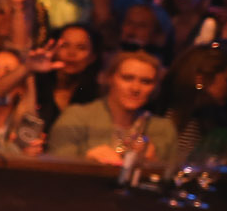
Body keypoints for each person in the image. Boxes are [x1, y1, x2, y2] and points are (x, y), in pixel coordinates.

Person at [47, 47, 177, 165]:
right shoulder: (77, 117)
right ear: (110, 78)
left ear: (154, 87)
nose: (135, 88)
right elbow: (54, 168)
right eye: (127, 78)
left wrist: (153, 163)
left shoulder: (163, 129)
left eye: (146, 81)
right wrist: (87, 161)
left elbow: (174, 176)